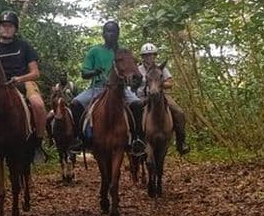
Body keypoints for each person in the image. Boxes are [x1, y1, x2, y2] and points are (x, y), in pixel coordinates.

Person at [0, 11, 47, 165]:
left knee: (38, 105)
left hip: (23, 81)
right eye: (3, 25)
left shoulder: (24, 46)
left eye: (10, 26)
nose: (6, 28)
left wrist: (20, 78)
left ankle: (38, 144)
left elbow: (35, 73)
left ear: (15, 29)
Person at [69, 20, 145, 155]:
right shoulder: (94, 51)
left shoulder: (124, 52)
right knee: (75, 103)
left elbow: (133, 72)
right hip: (97, 88)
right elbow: (84, 74)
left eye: (113, 31)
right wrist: (95, 72)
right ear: (103, 34)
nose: (110, 34)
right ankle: (78, 139)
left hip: (121, 89)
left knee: (137, 104)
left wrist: (133, 81)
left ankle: (137, 139)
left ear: (118, 33)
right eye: (107, 31)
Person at [136, 43, 190, 154]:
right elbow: (133, 83)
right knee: (134, 111)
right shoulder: (138, 70)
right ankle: (136, 140)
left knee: (179, 112)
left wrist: (158, 84)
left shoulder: (161, 68)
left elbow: (170, 83)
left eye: (151, 55)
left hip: (161, 96)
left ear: (155, 56)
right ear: (143, 57)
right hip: (143, 96)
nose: (149, 57)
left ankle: (181, 142)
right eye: (146, 55)